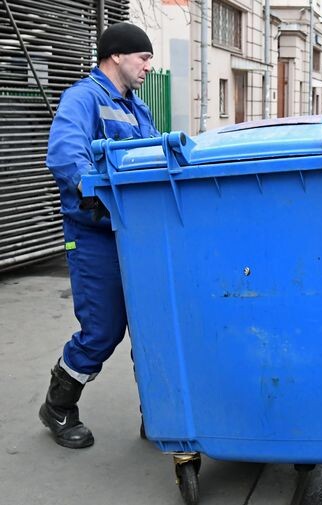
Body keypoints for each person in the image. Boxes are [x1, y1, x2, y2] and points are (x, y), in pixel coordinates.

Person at [39, 22, 158, 449]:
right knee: (102, 330)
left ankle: (162, 413)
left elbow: (154, 157)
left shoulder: (138, 109)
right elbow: (65, 152)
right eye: (143, 57)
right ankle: (57, 406)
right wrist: (89, 190)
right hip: (94, 234)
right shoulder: (83, 97)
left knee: (153, 325)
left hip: (136, 233)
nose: (148, 66)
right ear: (116, 55)